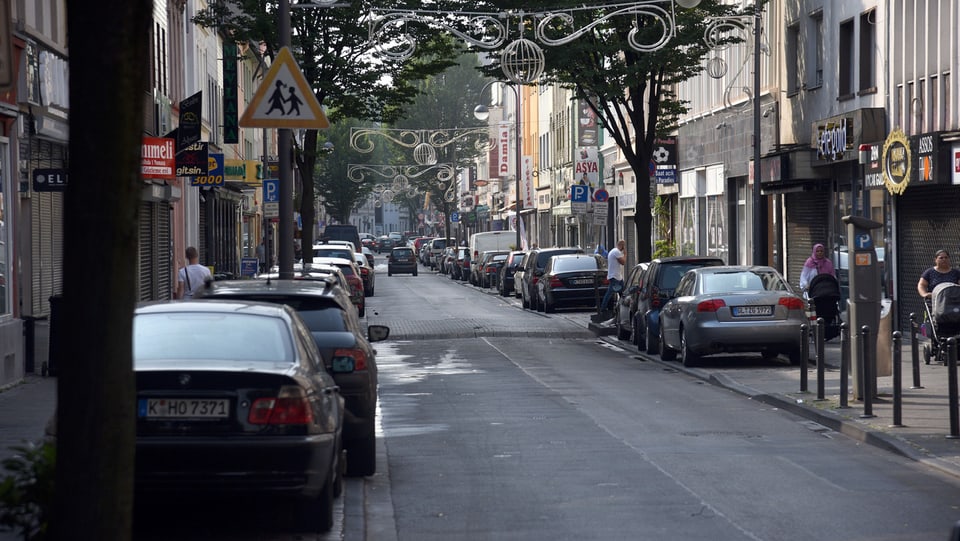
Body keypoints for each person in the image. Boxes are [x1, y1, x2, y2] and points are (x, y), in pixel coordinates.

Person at [600, 239, 626, 314]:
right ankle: (603, 308)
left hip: (617, 276)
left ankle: (622, 308)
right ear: (622, 246)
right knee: (610, 292)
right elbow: (623, 262)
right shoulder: (616, 252)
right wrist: (625, 254)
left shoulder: (613, 251)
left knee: (622, 293)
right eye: (624, 246)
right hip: (615, 277)